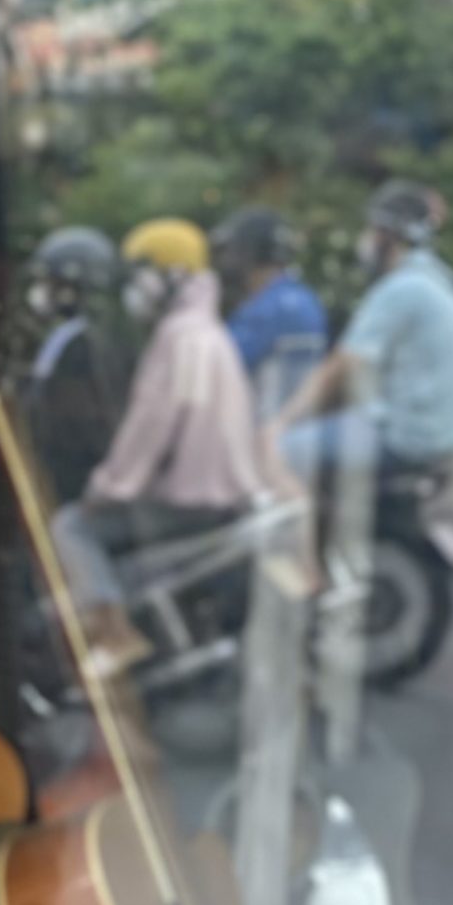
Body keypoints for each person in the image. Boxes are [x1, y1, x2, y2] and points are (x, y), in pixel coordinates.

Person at [51, 217, 273, 662]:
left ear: (174, 276)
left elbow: (151, 427)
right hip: (224, 496)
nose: (138, 289)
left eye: (143, 276)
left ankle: (113, 632)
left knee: (70, 526)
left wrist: (107, 488)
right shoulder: (209, 333)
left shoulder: (178, 339)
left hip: (188, 500)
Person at [273, 180, 453, 486]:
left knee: (282, 448)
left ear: (388, 234)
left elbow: (342, 365)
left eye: (371, 229)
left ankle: (297, 519)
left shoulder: (402, 287)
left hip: (405, 439)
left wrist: (281, 423)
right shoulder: (440, 283)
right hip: (443, 438)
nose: (366, 239)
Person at [22, 224, 127, 504]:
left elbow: (77, 420)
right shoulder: (68, 337)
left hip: (75, 482)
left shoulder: (82, 345)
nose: (41, 291)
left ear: (72, 287)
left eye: (50, 282)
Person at [212, 206, 327, 410]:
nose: (227, 261)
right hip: (299, 421)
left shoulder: (264, 310)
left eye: (231, 251)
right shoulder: (307, 300)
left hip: (263, 423)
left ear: (248, 253)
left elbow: (216, 367)